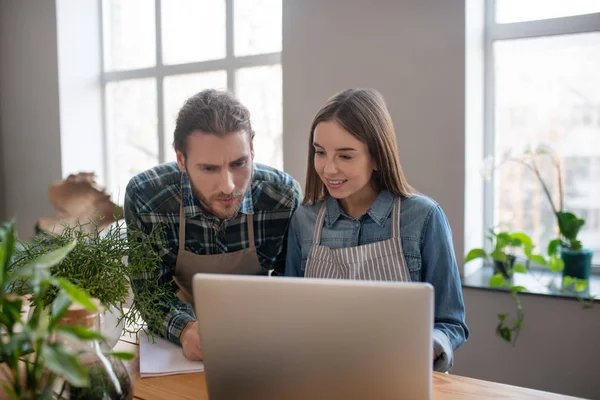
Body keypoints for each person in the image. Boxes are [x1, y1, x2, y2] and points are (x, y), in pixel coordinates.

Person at [284, 88, 469, 372]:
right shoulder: (303, 221)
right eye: (320, 152)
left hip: (400, 377)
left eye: (345, 156)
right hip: (321, 376)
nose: (328, 169)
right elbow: (290, 317)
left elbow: (450, 322)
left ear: (378, 157)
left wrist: (428, 346)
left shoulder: (424, 217)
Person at [124, 89, 302, 361]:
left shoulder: (282, 197)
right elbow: (150, 293)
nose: (228, 185)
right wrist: (184, 329)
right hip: (181, 350)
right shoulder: (146, 197)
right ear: (181, 160)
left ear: (252, 148)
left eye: (239, 163)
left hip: (260, 343)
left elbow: (291, 289)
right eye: (209, 168)